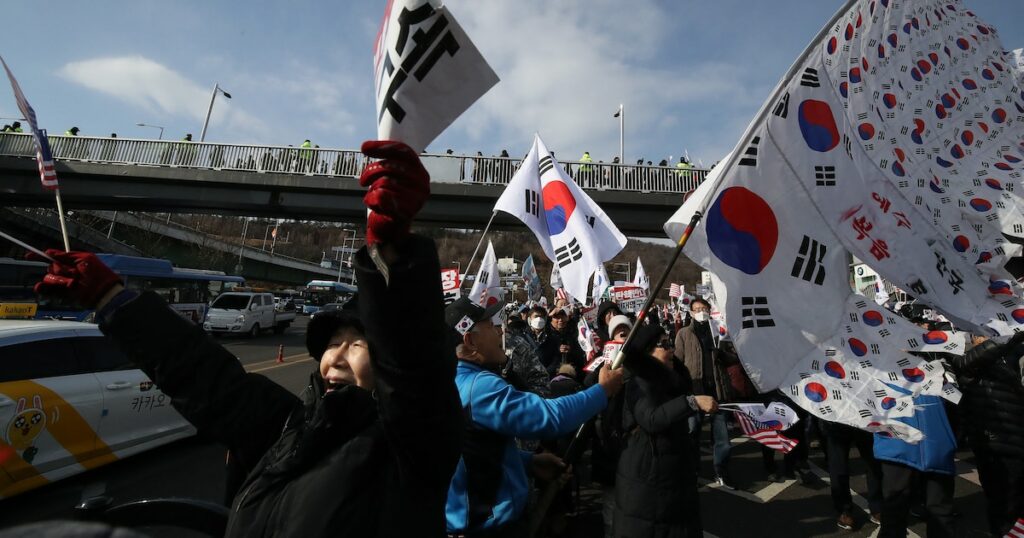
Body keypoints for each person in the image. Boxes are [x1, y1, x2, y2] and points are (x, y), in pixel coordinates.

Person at [28, 140, 462, 537]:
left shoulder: (414, 447)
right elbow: (203, 376)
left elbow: (415, 365)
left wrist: (392, 256)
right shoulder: (288, 427)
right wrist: (111, 300)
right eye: (332, 344)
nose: (336, 358)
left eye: (357, 344)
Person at [444, 297, 624, 536]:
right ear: (470, 341)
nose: (500, 331)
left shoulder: (450, 381)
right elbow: (549, 417)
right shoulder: (479, 387)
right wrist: (602, 391)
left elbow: (471, 453)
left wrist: (527, 462)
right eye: (490, 325)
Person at [615, 322, 717, 538]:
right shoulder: (637, 382)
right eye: (663, 345)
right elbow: (651, 419)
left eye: (670, 342)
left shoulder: (674, 380)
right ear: (647, 351)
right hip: (647, 483)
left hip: (674, 481)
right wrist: (691, 403)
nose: (671, 349)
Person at [950, 332, 1024, 536]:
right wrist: (1012, 335)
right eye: (979, 333)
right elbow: (974, 359)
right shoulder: (964, 358)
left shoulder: (1009, 355)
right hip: (994, 445)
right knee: (1004, 506)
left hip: (1015, 440)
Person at [674, 297, 736, 489]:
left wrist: (722, 354)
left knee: (722, 438)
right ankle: (692, 470)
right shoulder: (684, 333)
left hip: (718, 391)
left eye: (704, 308)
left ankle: (721, 471)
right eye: (697, 309)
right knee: (692, 433)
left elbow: (733, 357)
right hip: (694, 392)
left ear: (710, 311)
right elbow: (677, 361)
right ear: (691, 313)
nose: (701, 311)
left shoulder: (719, 331)